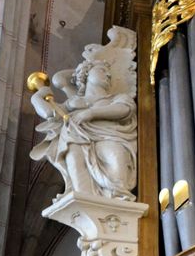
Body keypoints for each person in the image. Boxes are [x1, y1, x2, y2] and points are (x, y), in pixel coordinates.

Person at [29, 57, 138, 200]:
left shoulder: (116, 98)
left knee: (118, 172)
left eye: (108, 73)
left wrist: (91, 113)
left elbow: (125, 109)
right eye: (102, 70)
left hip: (109, 137)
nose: (108, 75)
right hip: (77, 140)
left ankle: (116, 197)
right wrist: (37, 97)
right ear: (86, 74)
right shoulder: (73, 103)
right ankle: (84, 197)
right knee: (70, 143)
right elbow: (50, 113)